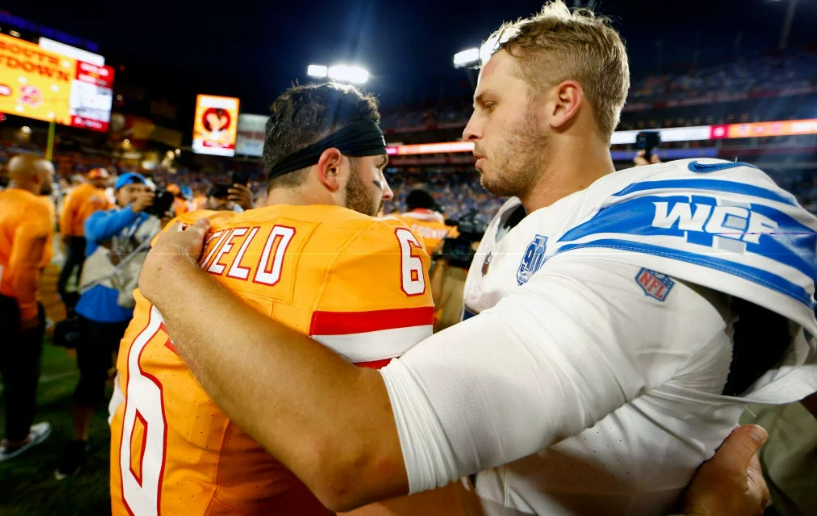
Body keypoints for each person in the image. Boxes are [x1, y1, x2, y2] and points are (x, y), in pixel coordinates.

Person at [138, 2, 817, 515]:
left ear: (562, 104)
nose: (467, 128)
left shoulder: (645, 243)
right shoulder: (509, 224)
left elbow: (349, 452)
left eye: (488, 104)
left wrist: (168, 271)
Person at [108, 83, 434, 516]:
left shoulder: (190, 231)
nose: (387, 191)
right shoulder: (364, 242)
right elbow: (378, 461)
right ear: (332, 168)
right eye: (379, 168)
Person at [55, 172, 165, 478]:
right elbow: (97, 232)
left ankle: (133, 438)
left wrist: (164, 218)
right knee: (89, 379)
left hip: (134, 316)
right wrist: (134, 209)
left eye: (144, 190)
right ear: (116, 195)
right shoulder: (100, 216)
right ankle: (79, 441)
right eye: (130, 189)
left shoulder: (153, 222)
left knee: (136, 380)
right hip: (96, 315)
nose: (138, 194)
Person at [0, 154, 55, 461]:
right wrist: (29, 311)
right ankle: (16, 438)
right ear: (37, 177)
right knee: (20, 375)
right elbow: (22, 268)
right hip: (9, 303)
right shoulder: (35, 205)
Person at [58, 167, 112, 313]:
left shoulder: (102, 193)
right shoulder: (78, 191)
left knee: (84, 262)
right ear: (95, 179)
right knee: (71, 261)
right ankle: (61, 288)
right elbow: (67, 212)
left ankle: (78, 285)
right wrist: (66, 231)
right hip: (76, 234)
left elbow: (109, 211)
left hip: (91, 237)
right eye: (102, 179)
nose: (105, 181)